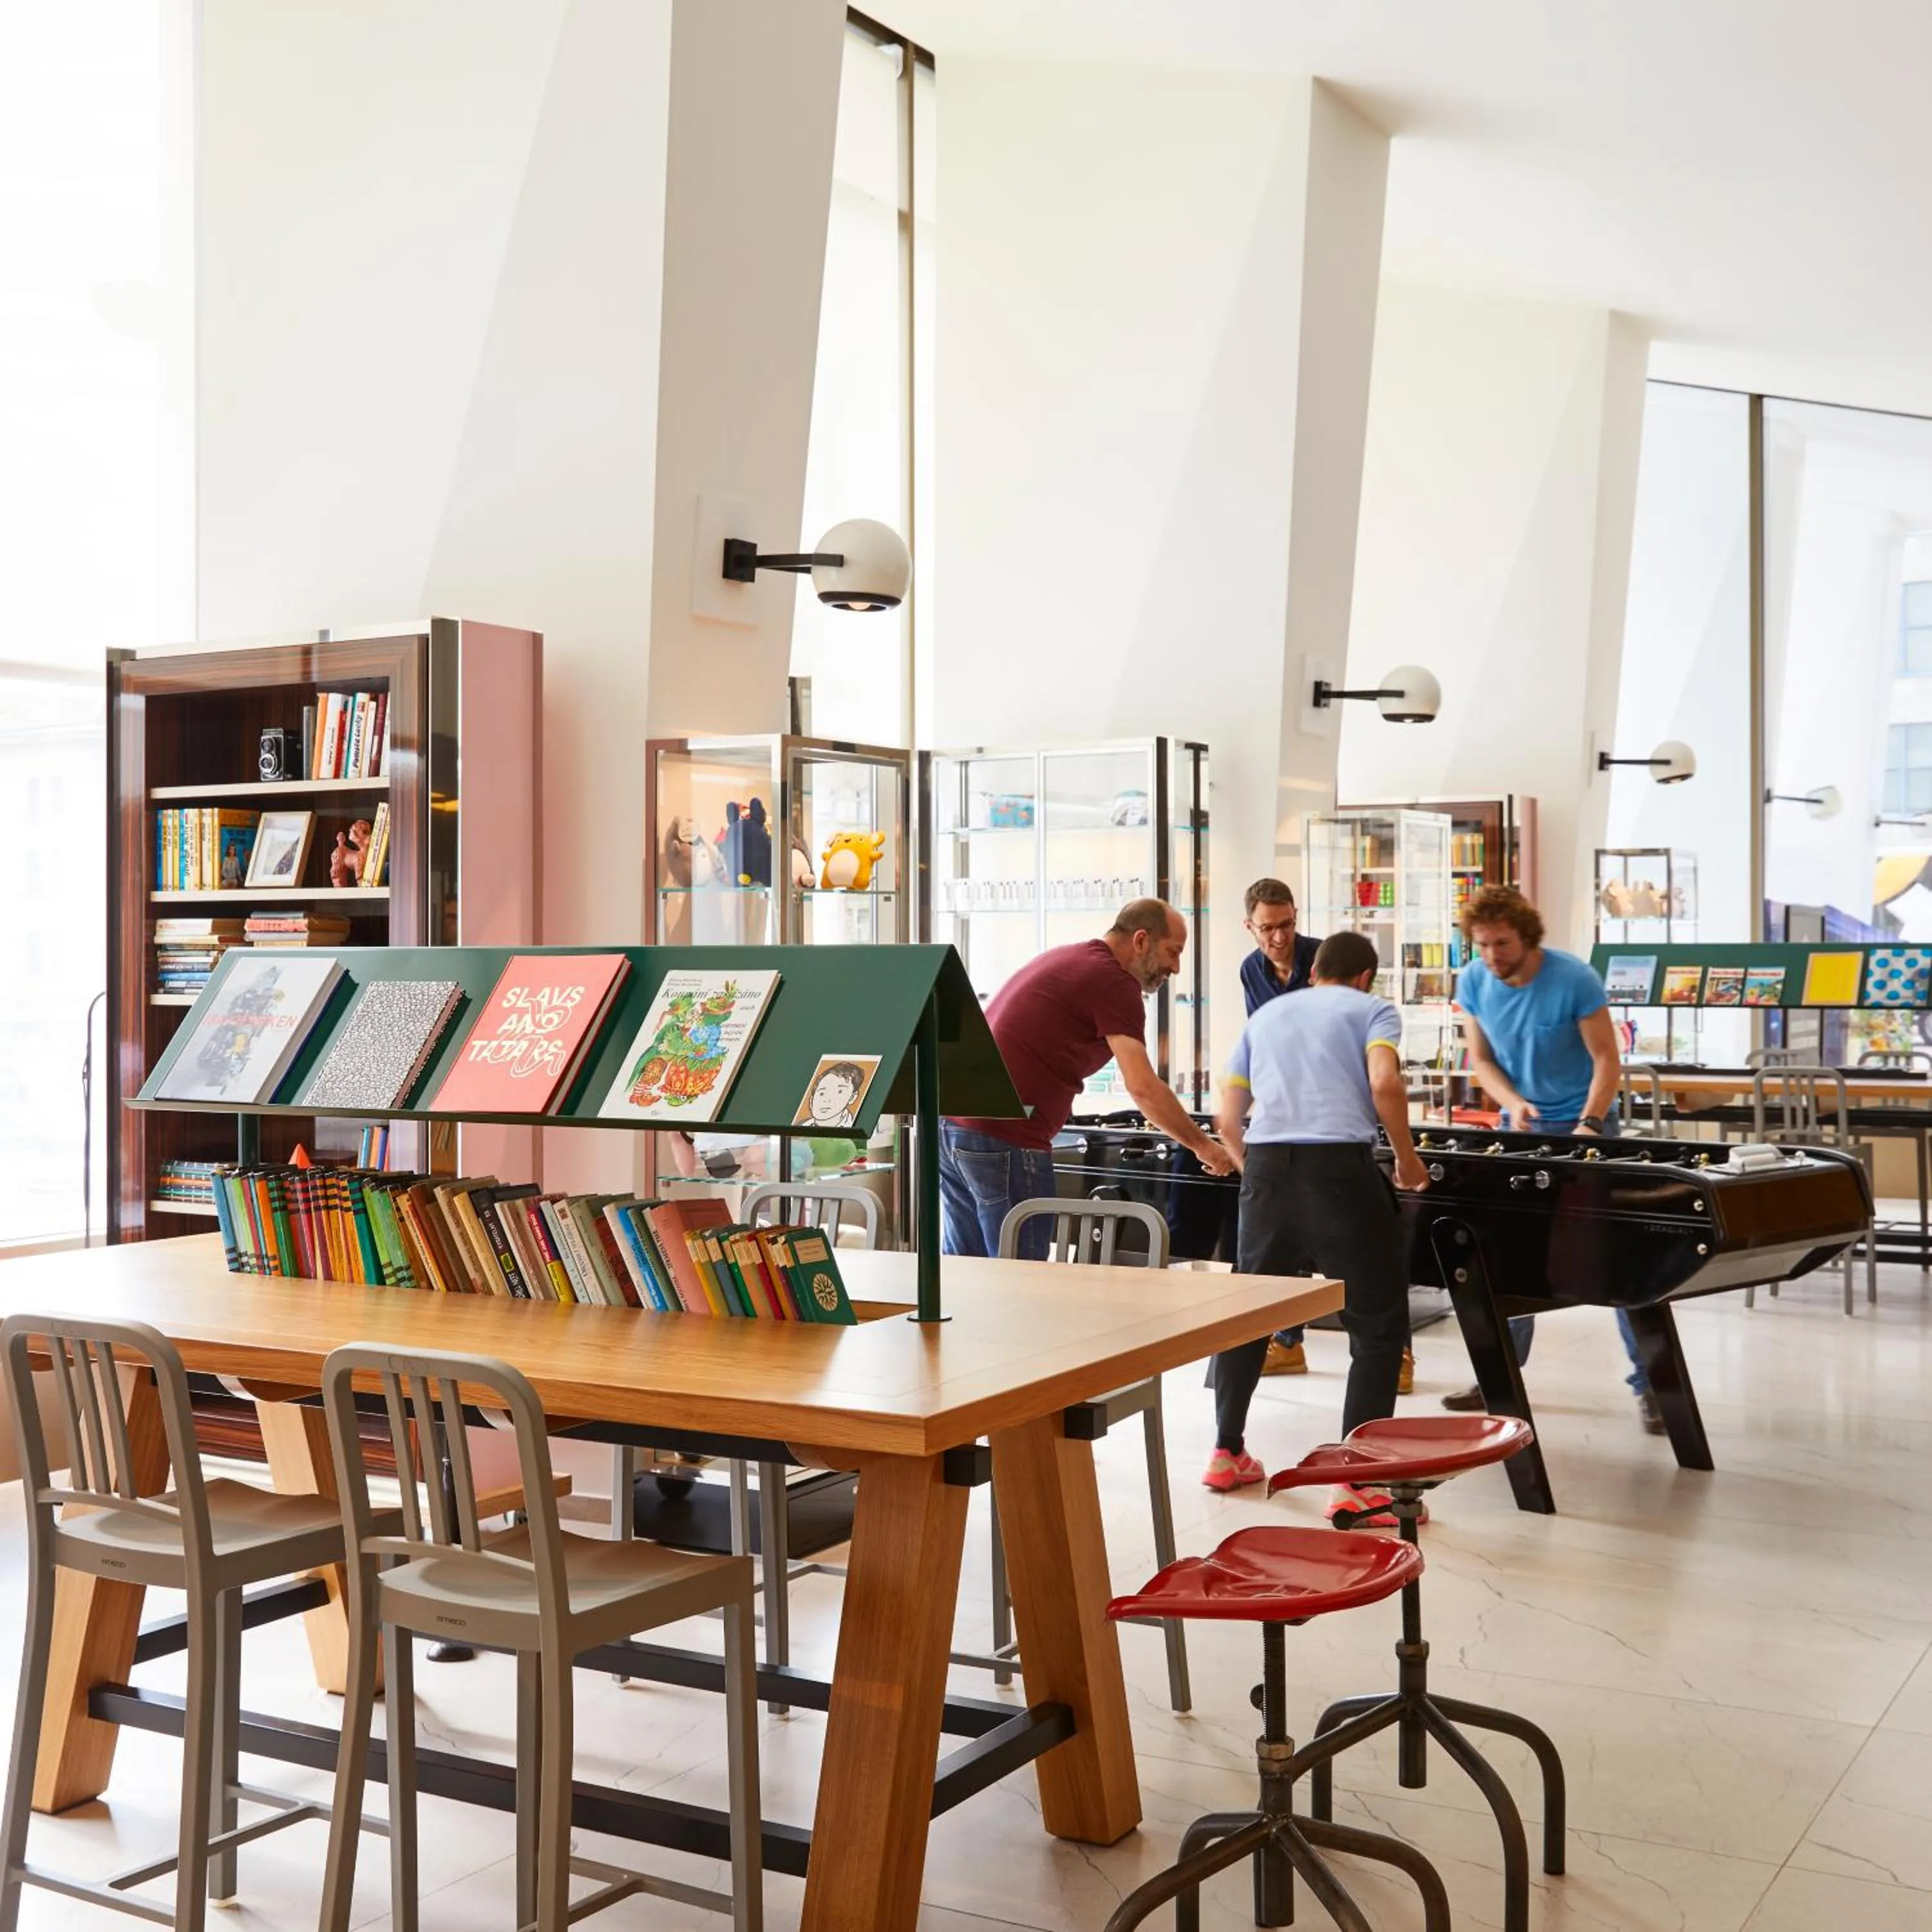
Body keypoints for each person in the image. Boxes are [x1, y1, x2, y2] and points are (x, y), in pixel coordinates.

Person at [1206, 932, 1429, 1526]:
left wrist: (1259, 1171)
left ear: (1314, 974)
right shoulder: (1373, 1009)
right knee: (1378, 1328)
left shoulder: (1269, 1014)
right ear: (1363, 977)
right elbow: (1384, 1082)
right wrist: (1407, 1161)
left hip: (1267, 1170)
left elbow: (1226, 1117)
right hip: (1340, 1173)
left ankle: (1227, 1454)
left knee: (1250, 1314)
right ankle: (1355, 1482)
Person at [1443, 885, 1663, 1434]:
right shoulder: (1473, 981)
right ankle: (1500, 1374)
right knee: (1505, 1257)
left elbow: (1606, 1060)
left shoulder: (1573, 979)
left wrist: (1589, 1122)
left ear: (1527, 938)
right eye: (1482, 945)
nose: (1492, 955)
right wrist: (1512, 1102)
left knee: (1617, 1260)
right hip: (1520, 1128)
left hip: (1586, 1125)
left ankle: (1655, 1385)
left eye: (1502, 943)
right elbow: (1483, 1061)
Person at [941, 898, 1235, 1258]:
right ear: (1141, 940)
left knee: (962, 1276)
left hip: (953, 1125)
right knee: (1019, 1283)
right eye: (1172, 953)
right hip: (1006, 1136)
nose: (1175, 967)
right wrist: (1204, 1147)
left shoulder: (1071, 957)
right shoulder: (1114, 981)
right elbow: (1142, 1087)